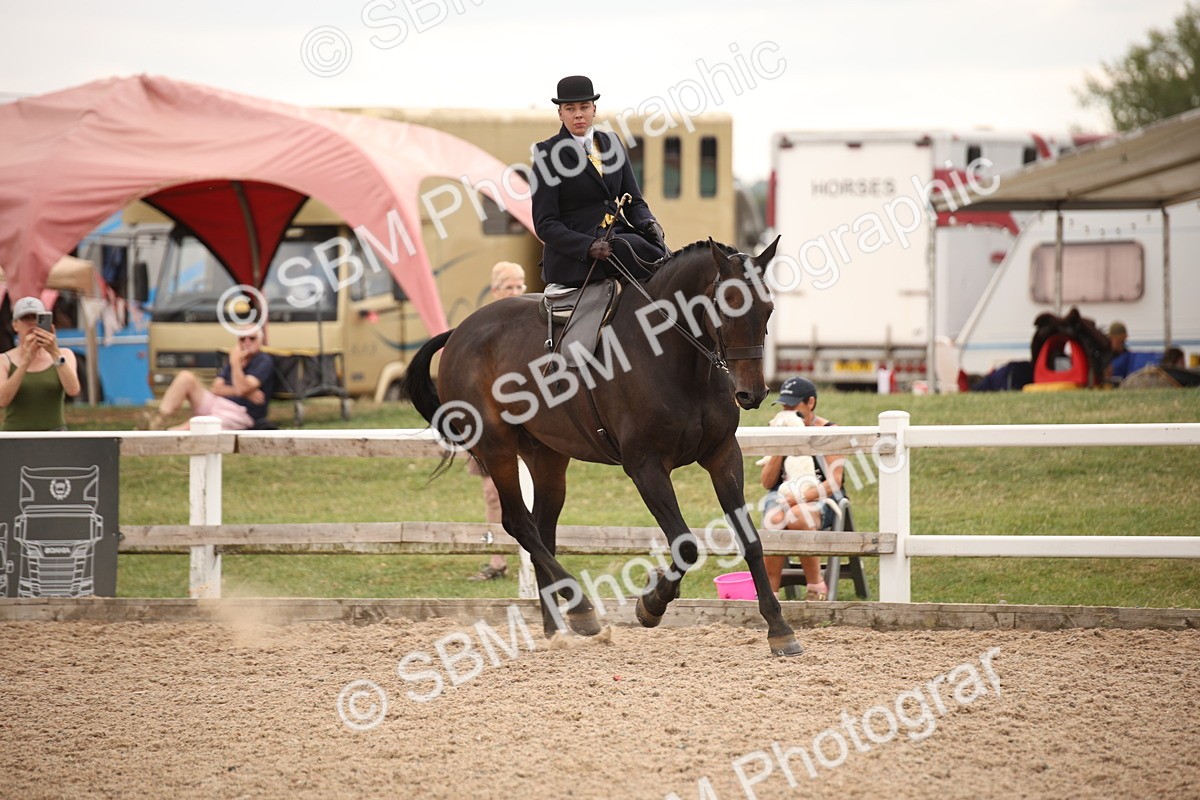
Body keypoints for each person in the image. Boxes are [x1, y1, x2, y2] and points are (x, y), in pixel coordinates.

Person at [531, 75, 668, 288]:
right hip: (577, 254)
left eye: (584, 107)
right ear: (560, 113)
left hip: (616, 235)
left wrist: (649, 222)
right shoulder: (547, 154)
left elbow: (634, 201)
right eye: (570, 109)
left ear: (594, 109)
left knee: (663, 255)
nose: (578, 115)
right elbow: (545, 224)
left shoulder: (612, 142)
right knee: (629, 247)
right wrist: (587, 246)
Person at [466, 261, 528, 581]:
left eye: (521, 286)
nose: (516, 292)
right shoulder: (479, 330)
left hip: (530, 422)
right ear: (494, 291)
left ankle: (535, 560)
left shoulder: (531, 327)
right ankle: (497, 561)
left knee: (534, 491)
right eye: (509, 287)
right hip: (491, 423)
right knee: (493, 492)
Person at [758, 376, 846, 600]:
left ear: (811, 403)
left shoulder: (829, 430)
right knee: (774, 520)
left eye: (793, 405)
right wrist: (780, 447)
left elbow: (835, 481)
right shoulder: (780, 429)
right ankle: (770, 595)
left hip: (820, 496)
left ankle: (816, 586)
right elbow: (767, 482)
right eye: (784, 406)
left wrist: (799, 498)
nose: (787, 411)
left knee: (798, 516)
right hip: (782, 494)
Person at [143, 326, 274, 430]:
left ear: (260, 340)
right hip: (216, 401)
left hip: (239, 412)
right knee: (185, 377)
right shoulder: (237, 358)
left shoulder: (262, 360)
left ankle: (167, 435)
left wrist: (235, 364)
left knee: (192, 426)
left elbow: (242, 388)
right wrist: (246, 393)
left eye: (252, 338)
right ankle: (159, 418)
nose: (247, 342)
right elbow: (216, 388)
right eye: (242, 339)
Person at [0, 297, 82, 431]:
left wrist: (54, 353)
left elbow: (73, 390)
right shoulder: (4, 360)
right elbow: (2, 400)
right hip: (15, 437)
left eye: (37, 318)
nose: (32, 324)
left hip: (54, 435)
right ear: (15, 325)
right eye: (26, 318)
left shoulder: (64, 354)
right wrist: (25, 362)